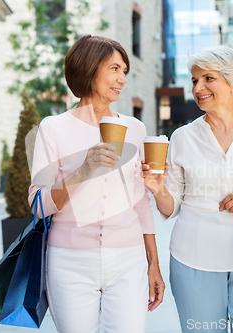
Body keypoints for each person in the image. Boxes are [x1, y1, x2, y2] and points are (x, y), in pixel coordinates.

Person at [139, 45, 233, 332]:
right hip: (193, 257)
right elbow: (171, 207)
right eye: (195, 80)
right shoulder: (182, 137)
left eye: (208, 78)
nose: (198, 87)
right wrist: (157, 189)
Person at [28, 34, 165, 333]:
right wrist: (83, 170)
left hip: (128, 260)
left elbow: (141, 202)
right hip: (70, 261)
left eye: (124, 71)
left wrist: (152, 263)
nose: (122, 79)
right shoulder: (53, 128)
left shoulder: (135, 128)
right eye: (114, 69)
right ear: (89, 68)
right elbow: (37, 205)